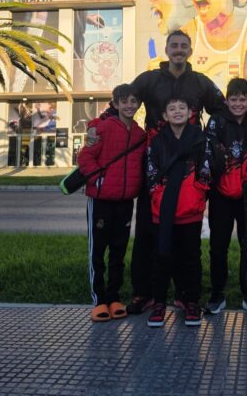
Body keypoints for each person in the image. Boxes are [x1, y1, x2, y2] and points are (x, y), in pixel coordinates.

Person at [87, 30, 225, 315]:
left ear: (190, 50)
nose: (178, 49)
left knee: (186, 235)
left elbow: (222, 110)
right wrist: (96, 126)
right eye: (174, 45)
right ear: (167, 49)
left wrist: (210, 140)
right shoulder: (149, 80)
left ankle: (186, 296)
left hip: (188, 167)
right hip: (154, 164)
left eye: (183, 45)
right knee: (147, 232)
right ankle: (144, 293)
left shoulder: (200, 82)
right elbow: (120, 102)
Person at [78, 84, 147, 323]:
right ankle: (99, 300)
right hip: (100, 201)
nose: (129, 105)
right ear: (115, 104)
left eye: (133, 101)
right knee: (97, 252)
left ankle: (114, 297)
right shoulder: (103, 128)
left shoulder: (140, 134)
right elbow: (85, 157)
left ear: (139, 105)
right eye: (124, 101)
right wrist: (99, 180)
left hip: (125, 202)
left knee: (118, 252)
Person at [145, 95, 213, 327]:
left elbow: (205, 170)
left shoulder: (199, 139)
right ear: (164, 115)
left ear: (190, 112)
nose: (177, 111)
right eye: (172, 108)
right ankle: (159, 303)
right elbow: (151, 172)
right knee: (162, 257)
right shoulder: (157, 141)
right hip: (163, 210)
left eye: (181, 107)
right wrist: (159, 195)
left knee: (191, 258)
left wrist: (196, 193)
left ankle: (191, 301)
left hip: (190, 209)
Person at [204, 78, 247, 317]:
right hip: (220, 195)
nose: (238, 104)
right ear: (227, 100)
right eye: (233, 99)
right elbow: (208, 151)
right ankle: (217, 293)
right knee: (218, 247)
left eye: (242, 99)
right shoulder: (216, 120)